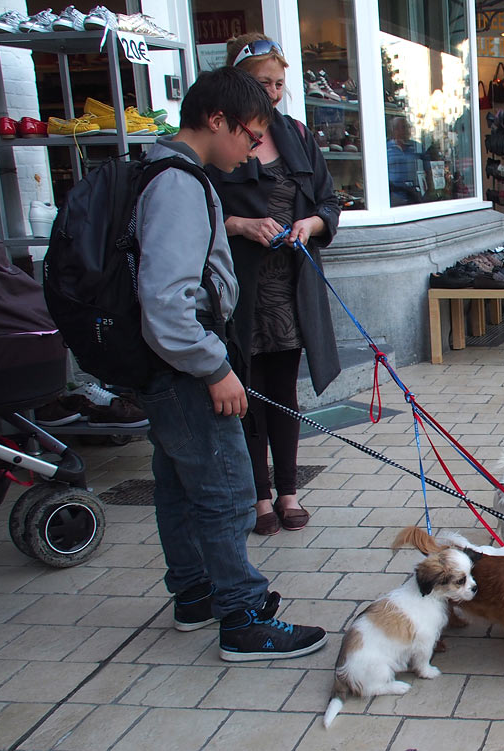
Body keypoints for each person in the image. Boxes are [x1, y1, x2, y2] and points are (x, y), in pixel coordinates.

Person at [134, 66, 328, 660]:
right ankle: (241, 618)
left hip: (166, 367)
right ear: (216, 121)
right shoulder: (179, 184)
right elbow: (167, 301)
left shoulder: (161, 167)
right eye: (248, 134)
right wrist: (215, 366)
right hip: (187, 365)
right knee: (227, 490)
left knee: (176, 483)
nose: (250, 149)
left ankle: (193, 595)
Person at [208, 33, 342, 538]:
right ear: (239, 82)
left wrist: (310, 225)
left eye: (281, 84)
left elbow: (329, 204)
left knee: (283, 391)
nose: (274, 92)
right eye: (264, 83)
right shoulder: (219, 138)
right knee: (246, 393)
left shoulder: (298, 135)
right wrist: (241, 226)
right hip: (237, 288)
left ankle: (288, 492)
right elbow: (195, 216)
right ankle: (258, 498)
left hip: (290, 285)